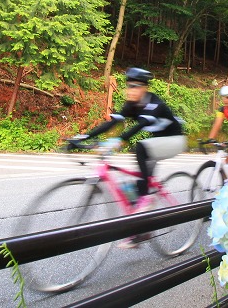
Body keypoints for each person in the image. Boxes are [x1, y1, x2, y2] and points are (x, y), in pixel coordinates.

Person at [66, 67, 186, 248]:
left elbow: (140, 126)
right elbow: (111, 123)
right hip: (157, 142)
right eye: (129, 86)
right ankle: (138, 233)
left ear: (145, 88)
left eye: (136, 86)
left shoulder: (154, 103)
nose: (131, 90)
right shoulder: (131, 104)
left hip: (175, 139)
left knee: (140, 148)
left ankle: (146, 199)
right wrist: (82, 137)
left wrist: (119, 141)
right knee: (134, 186)